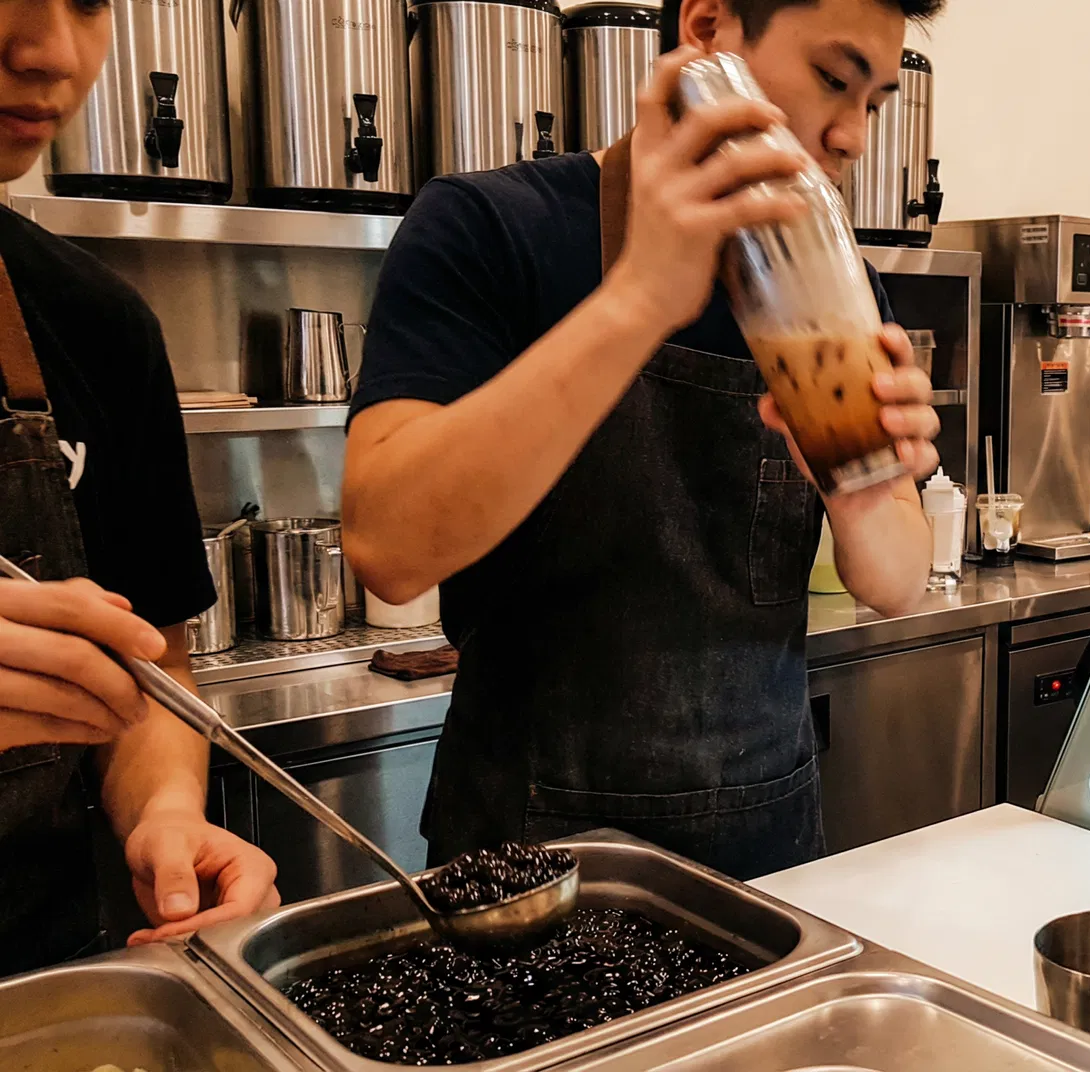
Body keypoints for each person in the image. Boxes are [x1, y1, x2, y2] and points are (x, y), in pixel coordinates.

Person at [342, 0, 944, 879]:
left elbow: (896, 581)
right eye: (831, 79)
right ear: (707, 30)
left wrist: (860, 493)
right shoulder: (490, 227)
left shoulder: (835, 282)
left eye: (874, 102)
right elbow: (386, 547)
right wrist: (640, 298)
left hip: (766, 840)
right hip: (529, 862)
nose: (852, 135)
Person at [0, 0, 279, 975]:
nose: (51, 52)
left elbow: (152, 668)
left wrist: (166, 810)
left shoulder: (97, 322)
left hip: (47, 979)